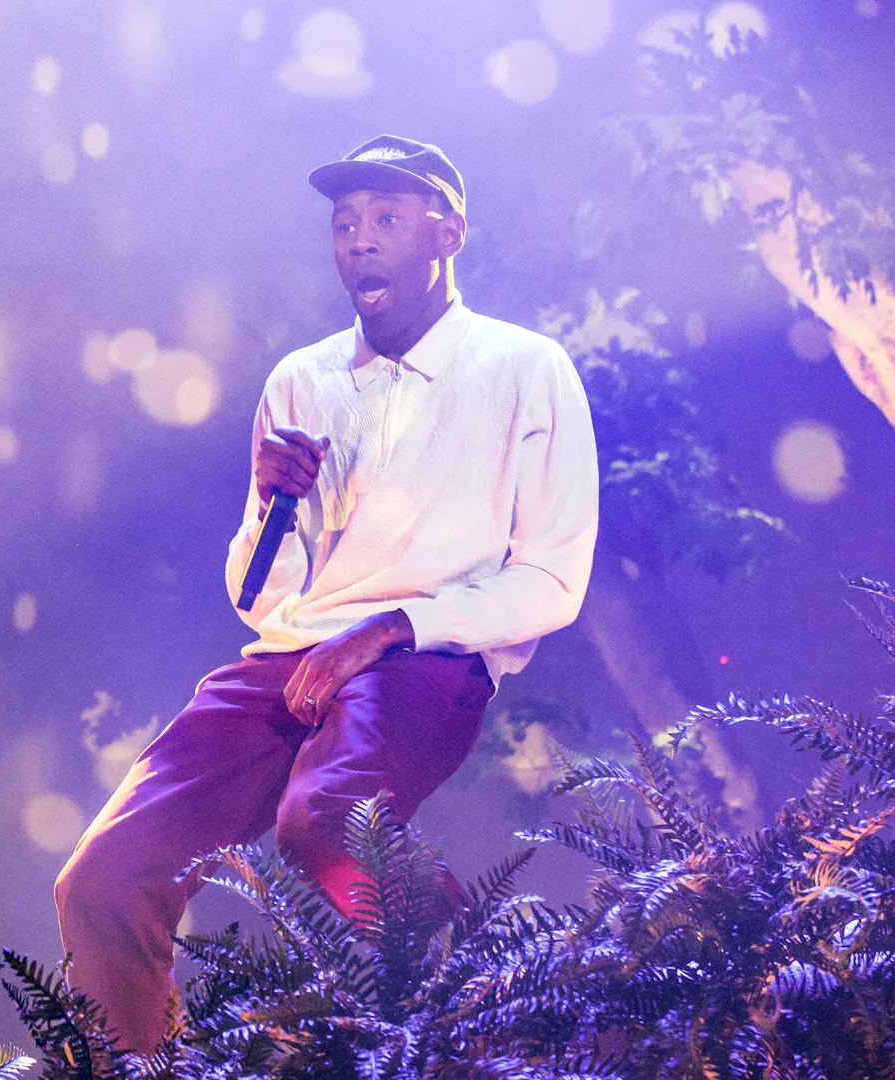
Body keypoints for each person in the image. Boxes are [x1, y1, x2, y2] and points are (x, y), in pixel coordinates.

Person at [52, 135, 600, 1054]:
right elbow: (257, 598)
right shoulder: (300, 381)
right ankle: (138, 1069)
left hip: (425, 656)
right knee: (102, 879)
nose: (360, 240)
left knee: (331, 825)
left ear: (449, 234)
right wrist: (271, 503)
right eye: (346, 224)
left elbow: (553, 578)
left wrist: (394, 628)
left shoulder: (524, 367)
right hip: (289, 658)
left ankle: (500, 997)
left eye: (387, 218)